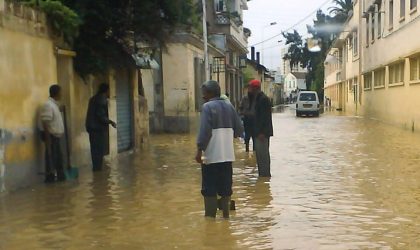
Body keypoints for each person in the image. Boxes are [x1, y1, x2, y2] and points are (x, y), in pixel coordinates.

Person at [196, 80, 243, 219]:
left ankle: (210, 220)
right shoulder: (230, 107)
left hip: (211, 156)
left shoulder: (207, 107)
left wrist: (199, 150)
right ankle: (226, 218)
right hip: (227, 155)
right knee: (226, 188)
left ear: (210, 93)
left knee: (209, 189)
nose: (203, 96)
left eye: (204, 93)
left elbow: (205, 132)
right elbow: (239, 129)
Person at [85, 83, 117, 172]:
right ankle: (97, 171)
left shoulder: (93, 98)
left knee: (94, 150)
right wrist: (111, 122)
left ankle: (96, 172)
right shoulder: (101, 99)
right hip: (97, 129)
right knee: (99, 150)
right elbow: (101, 116)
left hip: (92, 128)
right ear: (106, 90)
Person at [38, 85, 65, 183]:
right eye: (61, 92)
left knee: (58, 159)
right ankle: (50, 180)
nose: (62, 94)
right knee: (51, 159)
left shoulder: (53, 105)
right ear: (57, 93)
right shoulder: (48, 105)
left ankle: (59, 179)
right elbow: (45, 122)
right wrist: (48, 139)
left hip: (55, 137)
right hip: (51, 136)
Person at [248, 79, 273, 177]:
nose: (248, 89)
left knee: (263, 155)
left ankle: (265, 175)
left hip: (262, 134)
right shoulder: (256, 98)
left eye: (250, 87)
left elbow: (264, 117)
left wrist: (262, 132)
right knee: (260, 155)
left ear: (255, 88)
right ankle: (262, 176)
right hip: (258, 133)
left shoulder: (263, 99)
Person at [239, 87, 256, 152]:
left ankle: (254, 150)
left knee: (254, 136)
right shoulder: (244, 98)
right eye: (249, 89)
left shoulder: (256, 98)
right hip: (246, 119)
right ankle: (247, 149)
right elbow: (240, 107)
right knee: (247, 136)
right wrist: (242, 115)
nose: (250, 91)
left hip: (254, 120)